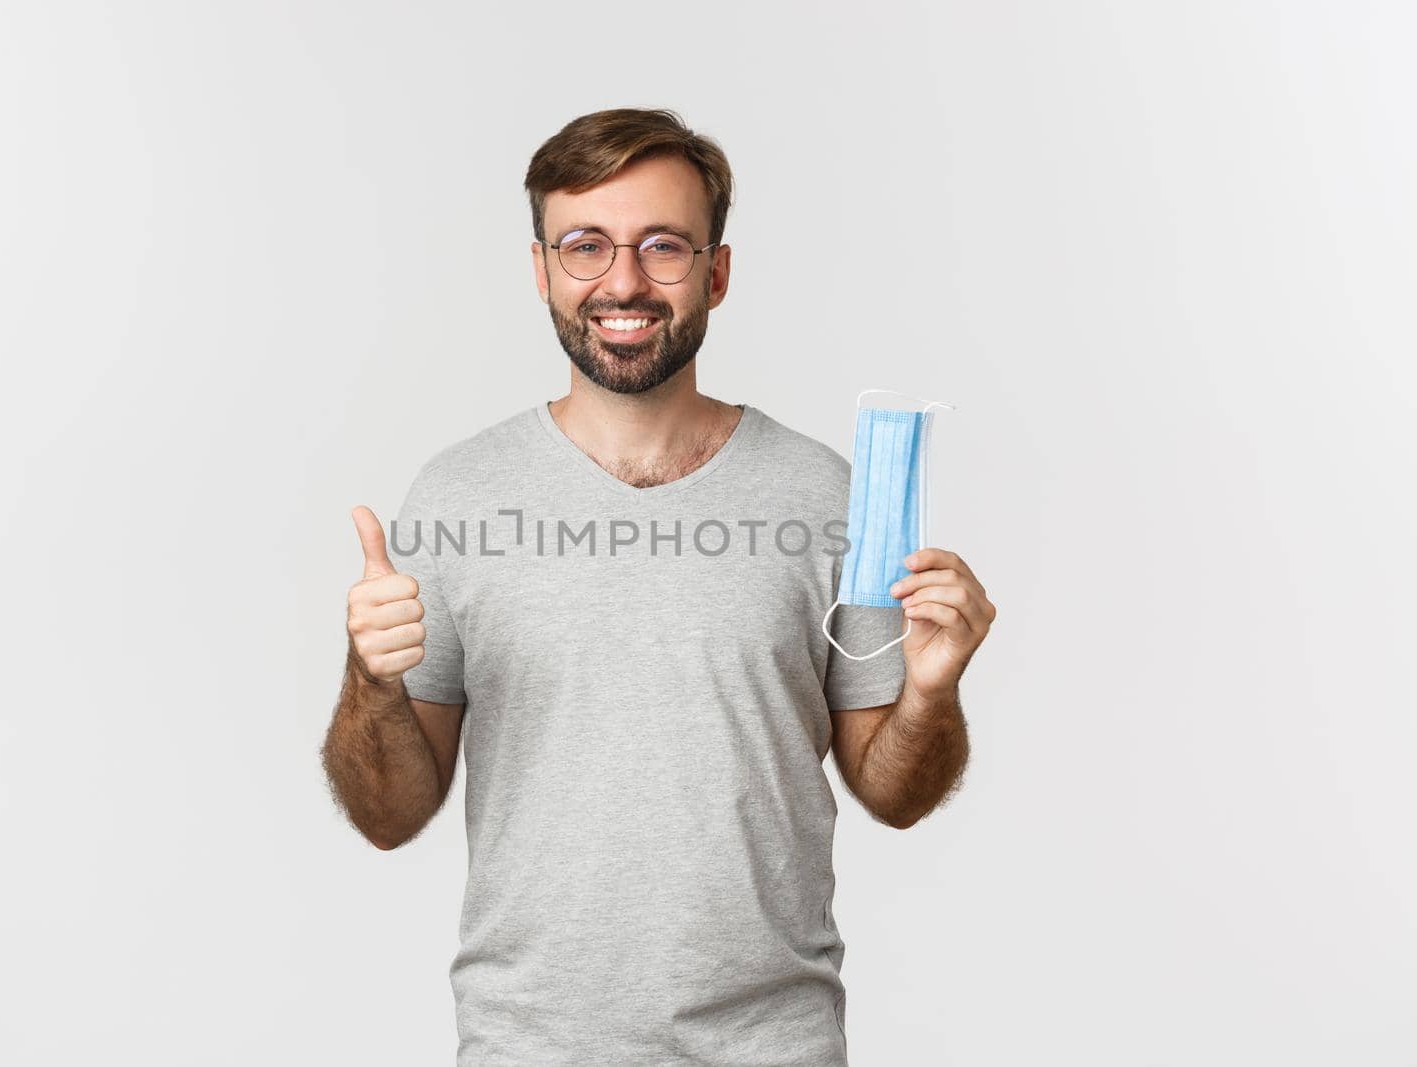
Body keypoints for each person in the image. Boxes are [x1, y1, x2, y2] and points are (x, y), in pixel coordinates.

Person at [321, 107, 997, 1066]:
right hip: (529, 1046)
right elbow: (390, 816)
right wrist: (369, 682)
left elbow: (893, 792)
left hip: (774, 1044)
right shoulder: (457, 495)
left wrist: (932, 693)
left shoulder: (823, 495)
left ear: (717, 273)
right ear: (542, 269)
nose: (622, 282)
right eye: (585, 246)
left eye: (664, 247)